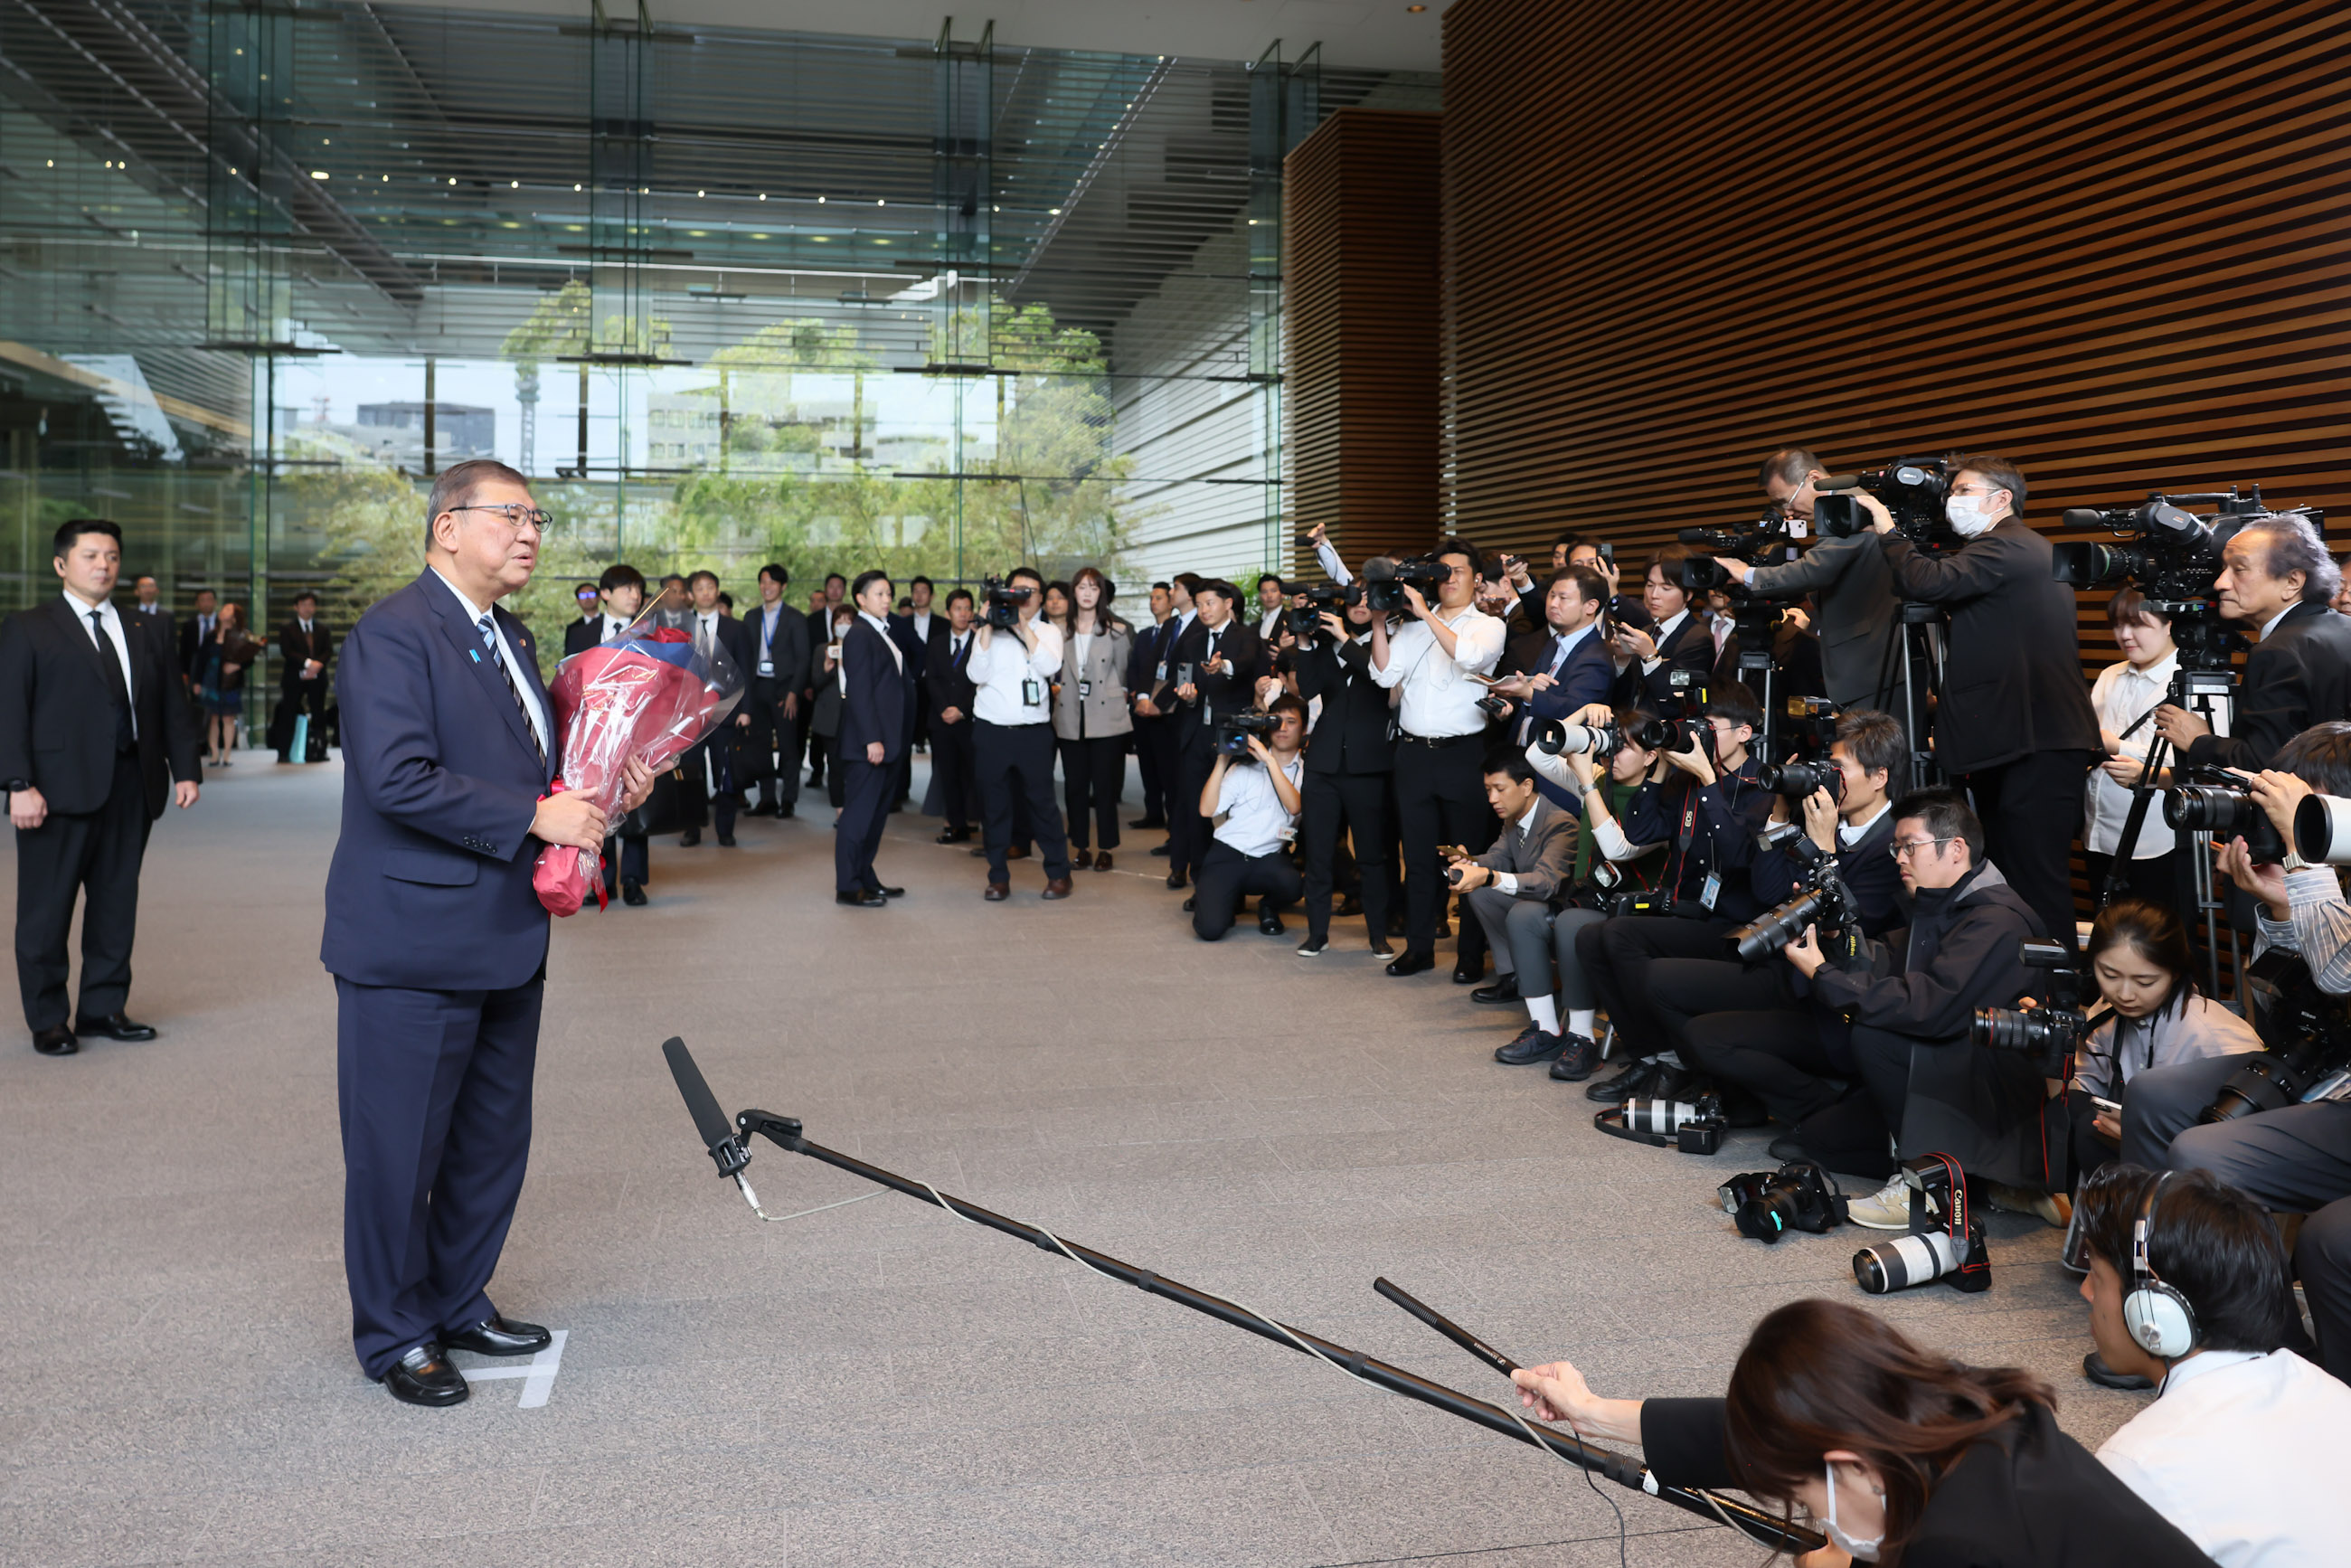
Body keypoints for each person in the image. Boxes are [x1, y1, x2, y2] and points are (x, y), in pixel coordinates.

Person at [323, 458, 655, 1406]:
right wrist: (533, 817)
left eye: (537, 518)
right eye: (510, 515)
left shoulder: (509, 633)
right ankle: (394, 1333)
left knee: (487, 1140)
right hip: (411, 941)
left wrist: (601, 794)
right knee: (399, 1153)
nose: (530, 534)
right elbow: (397, 778)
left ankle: (457, 1297)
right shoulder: (393, 634)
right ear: (446, 527)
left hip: (505, 934)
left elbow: (540, 780)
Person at [1510, 1298, 2213, 1568]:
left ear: (1851, 1467)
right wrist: (1594, 1410)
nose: (1820, 1522)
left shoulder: (1960, 1546)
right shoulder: (1956, 1404)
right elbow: (1781, 1430)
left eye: (1805, 1498)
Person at [2118, 724, 2351, 1382]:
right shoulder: (2326, 881)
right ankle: (2150, 1313)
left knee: (2205, 1153)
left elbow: (2341, 970)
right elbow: (2276, 1004)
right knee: (2155, 1096)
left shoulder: (2327, 873)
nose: (2293, 827)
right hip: (2320, 1063)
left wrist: (2305, 871)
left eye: (2309, 811)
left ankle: (2258, 1361)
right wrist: (2278, 905)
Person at [1865, 453, 2101, 950]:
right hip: (2021, 740)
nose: (1952, 501)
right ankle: (2013, 987)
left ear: (2002, 500)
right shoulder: (2012, 549)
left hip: (2035, 742)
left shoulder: (2009, 546)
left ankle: (2056, 1003)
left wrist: (1888, 530)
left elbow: (1926, 582)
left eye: (1963, 491)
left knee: (2035, 880)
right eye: (1950, 492)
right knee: (2014, 876)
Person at [1781, 789, 2048, 1222]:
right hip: (1948, 1064)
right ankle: (1976, 1180)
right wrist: (1833, 940)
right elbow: (1885, 960)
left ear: (1956, 848)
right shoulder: (1948, 902)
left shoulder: (1996, 919)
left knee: (1873, 1037)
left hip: (1991, 1087)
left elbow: (1928, 1004)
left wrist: (1821, 975)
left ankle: (1924, 1182)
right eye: (1896, 847)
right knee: (1814, 1140)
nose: (1899, 858)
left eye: (1910, 846)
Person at [1646, 710, 1910, 1135]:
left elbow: (1851, 927)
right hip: (1785, 971)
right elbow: (1769, 893)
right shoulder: (1824, 819)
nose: (1828, 778)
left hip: (1833, 1000)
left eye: (1839, 769)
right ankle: (1737, 1096)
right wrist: (1781, 811)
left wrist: (1824, 848)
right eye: (1826, 766)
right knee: (1658, 981)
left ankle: (1822, 1115)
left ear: (1879, 777)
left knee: (1705, 1034)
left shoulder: (1896, 845)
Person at [2072, 1164, 2350, 1566]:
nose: (2085, 1292)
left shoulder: (2140, 1466)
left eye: (2096, 1276)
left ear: (2153, 1311)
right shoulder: (2324, 1387)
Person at [0, 518, 202, 1056]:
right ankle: (48, 1019)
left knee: (116, 904)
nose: (104, 565)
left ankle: (102, 1008)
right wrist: (17, 783)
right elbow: (9, 712)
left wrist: (185, 768)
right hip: (53, 793)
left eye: (111, 556)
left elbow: (170, 706)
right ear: (61, 565)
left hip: (131, 785)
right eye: (90, 555)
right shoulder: (28, 628)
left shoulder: (147, 628)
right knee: (46, 913)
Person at [1576, 683, 1776, 1103]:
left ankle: (1671, 1061)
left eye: (1711, 728)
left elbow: (1739, 856)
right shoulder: (1681, 780)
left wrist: (1707, 778)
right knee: (1590, 936)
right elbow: (1639, 831)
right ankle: (1648, 1056)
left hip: (1733, 926)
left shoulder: (1763, 785)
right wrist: (1663, 769)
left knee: (1618, 934)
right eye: (1696, 727)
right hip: (1684, 913)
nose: (1700, 736)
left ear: (1744, 732)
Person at [1369, 538, 1506, 977]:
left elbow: (1470, 657)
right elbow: (1384, 674)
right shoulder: (1408, 628)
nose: (1447, 579)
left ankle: (1469, 957)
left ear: (1477, 579)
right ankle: (1419, 947)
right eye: (1440, 571)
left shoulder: (1488, 626)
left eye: (1458, 571)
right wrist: (1378, 623)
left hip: (1464, 756)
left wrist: (1424, 613)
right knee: (1420, 858)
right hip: (1413, 755)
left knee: (1466, 857)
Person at [1506, 714, 1671, 1077]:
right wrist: (1582, 715)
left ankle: (1583, 1039)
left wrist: (1585, 781)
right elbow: (1537, 754)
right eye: (1612, 742)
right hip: (1587, 897)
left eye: (1624, 747)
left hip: (1632, 909)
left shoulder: (1660, 800)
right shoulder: (1599, 778)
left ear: (1650, 756)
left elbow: (1618, 849)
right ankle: (1547, 1028)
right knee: (1523, 915)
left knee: (1571, 923)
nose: (1613, 754)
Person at [2065, 900, 2260, 1193]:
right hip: (2130, 1152)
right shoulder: (2106, 1012)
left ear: (2176, 973)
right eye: (2110, 975)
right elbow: (2083, 1087)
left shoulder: (2218, 1036)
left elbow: (2251, 1144)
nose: (2124, 994)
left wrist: (2146, 1133)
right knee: (2079, 1118)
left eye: (2144, 981)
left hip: (2204, 1175)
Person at [2157, 506, 2351, 772]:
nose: (2220, 583)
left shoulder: (2278, 651)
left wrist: (2198, 741)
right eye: (2223, 568)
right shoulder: (2344, 627)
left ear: (2292, 582)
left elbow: (2266, 763)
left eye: (2239, 569)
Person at [1710, 448, 1900, 711]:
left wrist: (1747, 574)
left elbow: (1815, 569)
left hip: (1872, 664)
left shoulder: (1851, 506)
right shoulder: (1842, 505)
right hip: (1868, 662)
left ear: (1812, 478)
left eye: (1787, 500)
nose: (1787, 512)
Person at [2086, 590, 2227, 907]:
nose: (2125, 635)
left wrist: (2118, 746)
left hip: (2161, 838)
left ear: (2169, 626)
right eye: (2118, 625)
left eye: (2137, 624)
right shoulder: (2111, 674)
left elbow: (2208, 762)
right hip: (2100, 831)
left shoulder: (2192, 681)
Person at [1292, 591, 1398, 957]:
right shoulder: (1324, 645)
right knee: (1319, 854)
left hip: (1368, 766)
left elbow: (1381, 680)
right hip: (1322, 764)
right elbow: (1307, 690)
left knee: (1372, 855)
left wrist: (1343, 638)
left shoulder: (1391, 643)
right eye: (1354, 596)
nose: (1361, 603)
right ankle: (1317, 934)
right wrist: (1305, 642)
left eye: (1370, 597)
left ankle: (1378, 934)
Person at [970, 565, 1074, 902]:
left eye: (1030, 592)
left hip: (1033, 734)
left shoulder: (1048, 631)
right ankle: (997, 877)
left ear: (1041, 598)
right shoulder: (988, 631)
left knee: (1042, 806)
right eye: (1016, 591)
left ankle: (1059, 874)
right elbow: (975, 673)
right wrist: (986, 627)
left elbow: (1048, 667)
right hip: (991, 733)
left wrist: (1022, 626)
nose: (1023, 598)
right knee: (995, 807)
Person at [1450, 748, 1577, 1025]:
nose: (1492, 799)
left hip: (1558, 910)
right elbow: (1498, 857)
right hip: (1529, 902)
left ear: (1527, 785)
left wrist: (1488, 876)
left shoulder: (1561, 824)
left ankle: (1546, 976)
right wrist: (1469, 862)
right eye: (1488, 790)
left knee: (1489, 888)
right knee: (1482, 892)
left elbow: (1546, 883)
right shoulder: (1512, 818)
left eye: (1499, 789)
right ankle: (1513, 975)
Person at [563, 565, 656, 905]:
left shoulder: (650, 635)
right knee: (599, 805)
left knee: (633, 804)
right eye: (627, 589)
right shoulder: (581, 635)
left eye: (638, 590)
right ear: (605, 594)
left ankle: (633, 880)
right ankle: (600, 880)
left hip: (637, 733)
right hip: (594, 735)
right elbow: (570, 680)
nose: (635, 596)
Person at [1166, 579, 1264, 893]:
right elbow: (1181, 677)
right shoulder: (1192, 640)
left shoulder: (1246, 636)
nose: (1204, 610)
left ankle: (1237, 882)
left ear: (1228, 604)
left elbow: (1247, 664)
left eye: (1210, 603)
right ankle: (1201, 882)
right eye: (1199, 604)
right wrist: (1187, 695)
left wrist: (1225, 666)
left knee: (1238, 807)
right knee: (1196, 810)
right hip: (1196, 733)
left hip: (1232, 733)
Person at [1192, 694, 1307, 940]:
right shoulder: (1242, 767)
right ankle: (1225, 897)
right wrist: (1223, 760)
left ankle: (1268, 906)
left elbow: (1295, 806)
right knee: (1210, 929)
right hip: (1226, 853)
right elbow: (1206, 810)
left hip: (1267, 859)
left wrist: (1268, 759)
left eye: (1291, 722)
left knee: (1293, 884)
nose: (1283, 728)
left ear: (1304, 728)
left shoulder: (1307, 772)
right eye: (1277, 722)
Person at [835, 570, 913, 907]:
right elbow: (859, 691)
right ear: (861, 599)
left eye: (889, 594)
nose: (886, 599)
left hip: (888, 743)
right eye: (879, 594)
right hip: (870, 745)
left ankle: (866, 877)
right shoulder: (859, 634)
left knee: (875, 818)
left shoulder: (882, 633)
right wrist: (872, 739)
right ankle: (848, 887)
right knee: (857, 818)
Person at [1485, 566, 1616, 767]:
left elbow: (1575, 711)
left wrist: (1528, 693)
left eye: (1563, 598)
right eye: (1551, 595)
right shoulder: (1556, 641)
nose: (1553, 604)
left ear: (1590, 606)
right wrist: (1510, 702)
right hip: (1525, 753)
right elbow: (1537, 688)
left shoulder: (1595, 656)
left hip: (1556, 763)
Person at [1053, 566, 1132, 871]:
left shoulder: (1117, 631)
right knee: (1074, 787)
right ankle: (1081, 846)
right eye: (1082, 587)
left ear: (1101, 593)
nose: (1087, 593)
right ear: (1074, 592)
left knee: (1104, 788)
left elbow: (1123, 671)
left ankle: (1107, 848)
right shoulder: (1060, 631)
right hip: (1070, 715)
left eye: (1093, 588)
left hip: (1107, 718)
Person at [678, 571, 751, 847]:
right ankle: (692, 829)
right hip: (690, 715)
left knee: (726, 772)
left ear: (718, 591)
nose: (706, 592)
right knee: (691, 772)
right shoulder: (681, 628)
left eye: (711, 587)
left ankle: (725, 829)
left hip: (727, 711)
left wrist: (747, 709)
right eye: (700, 588)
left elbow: (746, 670)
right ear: (691, 595)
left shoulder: (737, 628)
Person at [1610, 546, 1717, 713]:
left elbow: (1675, 701)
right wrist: (1622, 660)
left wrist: (1650, 656)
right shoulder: (1647, 630)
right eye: (1650, 585)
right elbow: (1625, 697)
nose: (1654, 595)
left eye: (1666, 588)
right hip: (1631, 727)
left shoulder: (1698, 638)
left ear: (1688, 595)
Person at [743, 564, 811, 819]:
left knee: (788, 746)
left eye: (772, 582)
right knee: (759, 746)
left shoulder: (795, 617)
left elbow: (803, 659)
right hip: (757, 685)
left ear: (783, 586)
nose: (766, 586)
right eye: (762, 581)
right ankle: (767, 798)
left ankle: (789, 799)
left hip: (785, 690)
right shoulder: (751, 617)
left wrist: (794, 692)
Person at [926, 589, 980, 845]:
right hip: (941, 720)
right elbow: (932, 679)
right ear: (948, 613)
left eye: (968, 608)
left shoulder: (982, 642)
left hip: (970, 719)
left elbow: (979, 682)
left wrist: (961, 710)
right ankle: (955, 825)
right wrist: (944, 708)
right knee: (948, 774)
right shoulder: (936, 642)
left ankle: (975, 820)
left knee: (974, 773)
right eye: (958, 608)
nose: (964, 614)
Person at [1128, 581, 1177, 830]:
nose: (1153, 602)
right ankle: (1153, 812)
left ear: (1171, 601)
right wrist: (1138, 692)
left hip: (1166, 708)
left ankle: (1172, 819)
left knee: (1167, 766)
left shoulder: (1178, 632)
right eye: (1151, 598)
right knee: (1146, 762)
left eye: (1158, 598)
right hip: (1141, 706)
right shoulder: (1144, 635)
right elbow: (1134, 666)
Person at [194, 602, 261, 765]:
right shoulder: (211, 635)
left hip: (231, 682)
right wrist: (196, 681)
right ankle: (215, 753)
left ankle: (227, 754)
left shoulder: (242, 635)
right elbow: (201, 660)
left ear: (234, 616)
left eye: (228, 609)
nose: (223, 611)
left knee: (229, 718)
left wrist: (237, 666)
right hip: (211, 682)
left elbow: (250, 658)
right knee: (213, 718)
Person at [275, 590, 334, 762]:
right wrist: (308, 664)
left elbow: (328, 651)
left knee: (319, 715)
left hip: (318, 678)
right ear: (296, 607)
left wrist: (316, 666)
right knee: (288, 713)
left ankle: (319, 750)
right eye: (304, 605)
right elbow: (287, 651)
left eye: (311, 605)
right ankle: (284, 753)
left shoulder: (323, 629)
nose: (308, 608)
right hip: (294, 678)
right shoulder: (287, 629)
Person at [177, 587, 217, 682]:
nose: (206, 603)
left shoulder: (222, 623)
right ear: (197, 604)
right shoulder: (189, 625)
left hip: (216, 670)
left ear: (215, 602)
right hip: (194, 670)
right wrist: (184, 672)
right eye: (202, 600)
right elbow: (184, 651)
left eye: (209, 600)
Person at [1252, 573, 1287, 640]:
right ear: (1260, 596)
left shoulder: (1290, 620)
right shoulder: (1254, 625)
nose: (1269, 596)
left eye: (1274, 591)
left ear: (1282, 594)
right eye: (1264, 592)